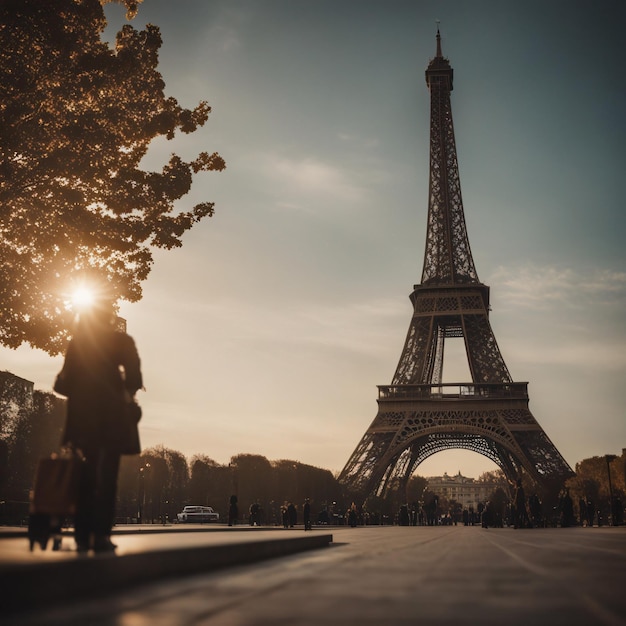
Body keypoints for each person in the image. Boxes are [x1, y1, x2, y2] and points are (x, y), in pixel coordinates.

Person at [54, 299, 143, 553]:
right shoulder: (123, 342)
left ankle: (82, 533)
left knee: (85, 473)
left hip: (82, 417)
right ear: (110, 318)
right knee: (108, 476)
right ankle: (101, 534)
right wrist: (122, 391)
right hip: (112, 417)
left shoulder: (77, 342)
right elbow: (135, 378)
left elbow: (62, 384)